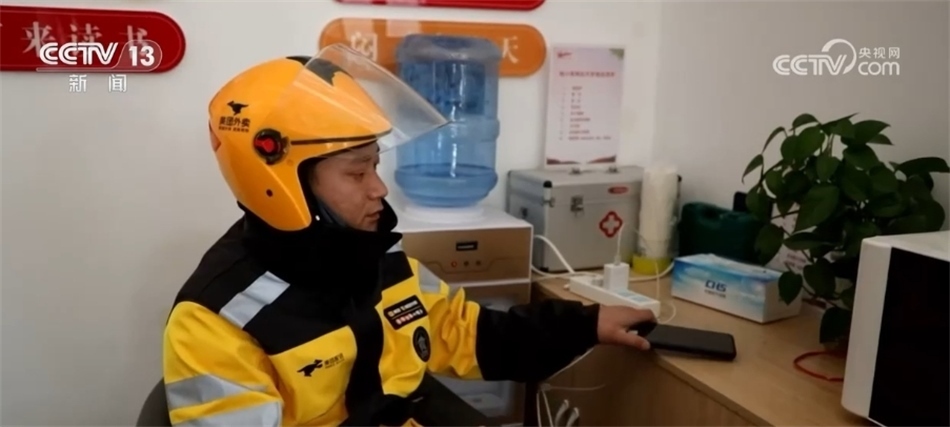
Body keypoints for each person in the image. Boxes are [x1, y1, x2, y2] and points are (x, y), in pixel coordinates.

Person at [162, 45, 657, 427]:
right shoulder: (215, 321)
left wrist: (585, 324)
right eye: (357, 173)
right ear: (282, 182)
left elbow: (464, 334)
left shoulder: (372, 256)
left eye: (375, 166)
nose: (379, 189)